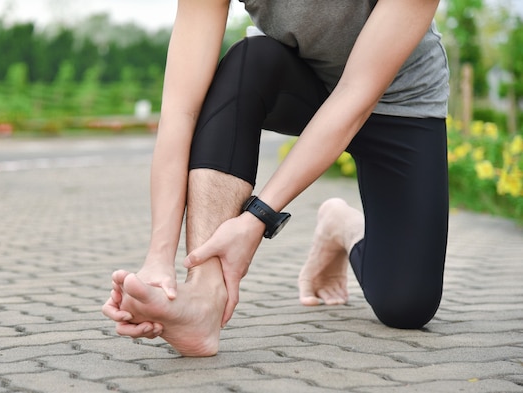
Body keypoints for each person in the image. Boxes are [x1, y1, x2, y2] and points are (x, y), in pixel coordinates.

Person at [102, 0, 450, 357]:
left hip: (399, 102)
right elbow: (180, 111)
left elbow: (355, 95)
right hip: (302, 82)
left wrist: (257, 219)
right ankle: (203, 299)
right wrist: (158, 259)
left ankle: (341, 225)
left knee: (407, 305)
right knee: (248, 63)